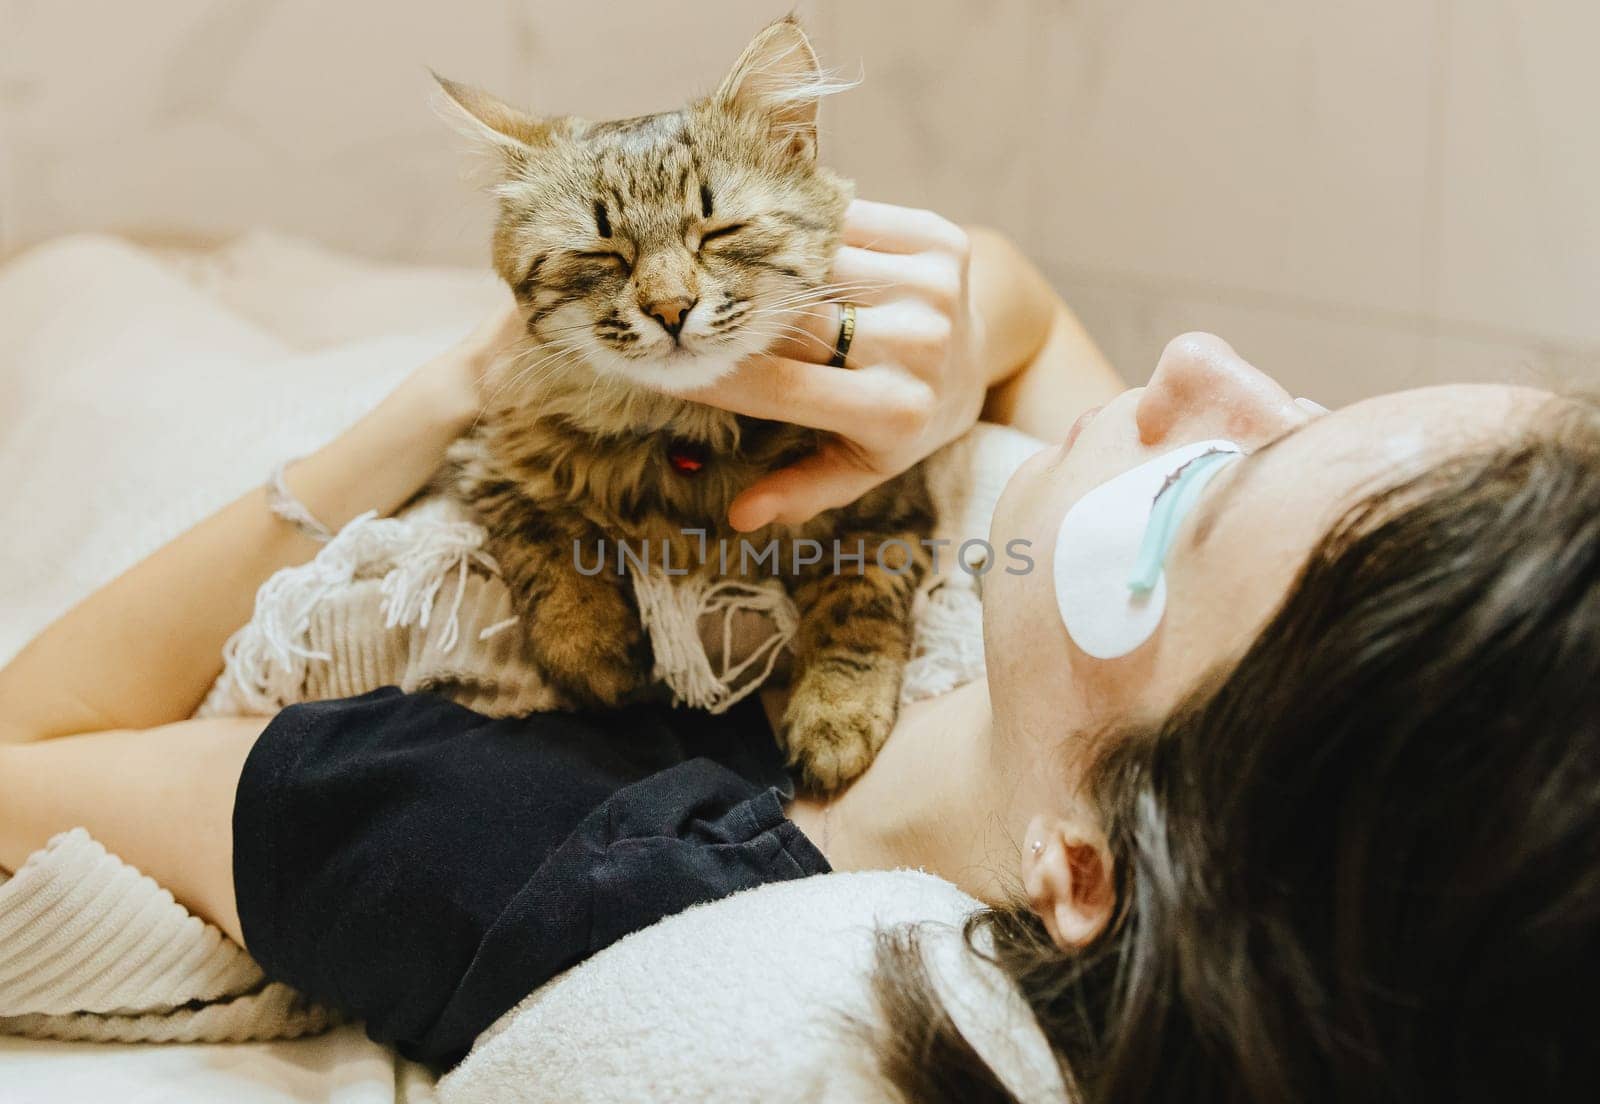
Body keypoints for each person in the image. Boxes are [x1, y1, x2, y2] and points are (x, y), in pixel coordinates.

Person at [1, 198, 1593, 1100]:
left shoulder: (552, 855)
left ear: (1090, 874)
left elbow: (32, 758)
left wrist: (439, 399)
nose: (1200, 366)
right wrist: (972, 329)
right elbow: (1032, 329)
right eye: (1310, 402)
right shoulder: (1127, 719)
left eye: (1212, 482)